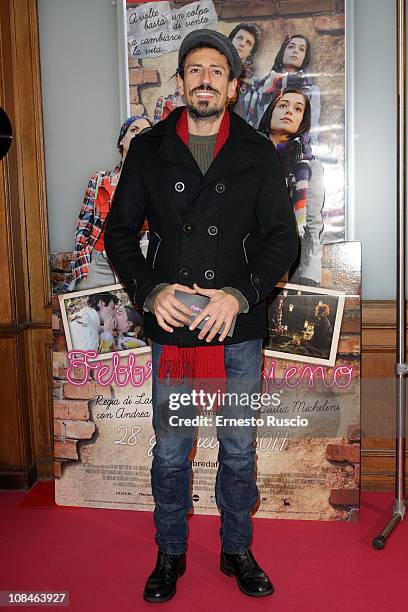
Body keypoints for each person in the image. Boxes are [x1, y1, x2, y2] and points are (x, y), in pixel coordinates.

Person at [105, 29, 298, 603]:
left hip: (235, 328)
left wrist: (239, 295)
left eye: (217, 70)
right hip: (174, 325)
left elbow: (282, 240)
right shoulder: (149, 148)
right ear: (183, 82)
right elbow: (118, 234)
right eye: (195, 70)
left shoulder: (258, 152)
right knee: (171, 448)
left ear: (234, 86)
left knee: (238, 446)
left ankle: (236, 548)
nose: (205, 79)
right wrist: (150, 288)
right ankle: (170, 552)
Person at [63, 116, 152, 292]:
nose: (139, 135)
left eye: (145, 132)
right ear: (122, 140)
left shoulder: (156, 183)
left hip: (136, 259)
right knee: (84, 309)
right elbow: (83, 224)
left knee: (135, 316)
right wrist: (80, 260)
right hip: (99, 260)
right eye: (134, 130)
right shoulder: (99, 180)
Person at [259, 88, 324, 286]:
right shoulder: (246, 156)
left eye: (297, 109)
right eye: (283, 105)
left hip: (290, 265)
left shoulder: (311, 167)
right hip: (247, 262)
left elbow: (312, 224)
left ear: (302, 121)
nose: (289, 112)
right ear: (271, 111)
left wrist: (310, 276)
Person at [248, 34, 321, 137]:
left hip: (293, 150)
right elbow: (251, 121)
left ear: (305, 57)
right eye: (291, 47)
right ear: (283, 52)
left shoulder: (311, 91)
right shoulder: (260, 88)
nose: (295, 51)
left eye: (301, 49)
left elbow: (312, 129)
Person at [227, 23, 261, 121]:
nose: (242, 44)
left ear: (250, 52)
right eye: (239, 38)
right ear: (231, 40)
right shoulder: (211, 67)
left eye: (248, 43)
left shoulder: (253, 84)